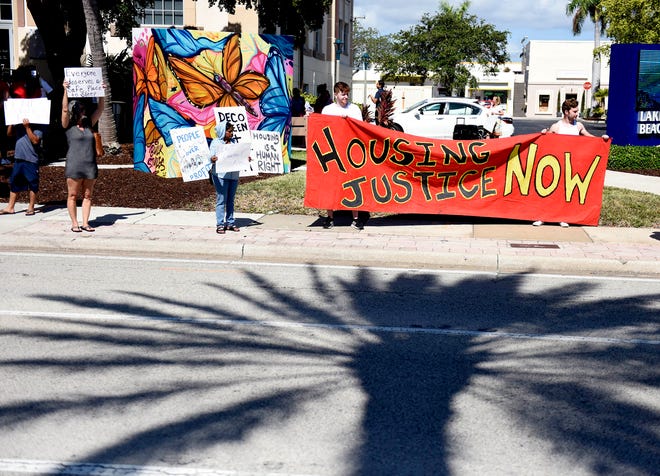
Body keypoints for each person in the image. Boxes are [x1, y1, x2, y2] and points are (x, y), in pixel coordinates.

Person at [536, 97, 610, 228]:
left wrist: (602, 139)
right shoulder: (556, 127)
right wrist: (543, 133)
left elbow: (591, 139)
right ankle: (543, 217)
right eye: (574, 111)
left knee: (566, 193)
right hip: (556, 165)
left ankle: (563, 217)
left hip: (572, 166)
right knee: (550, 192)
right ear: (566, 112)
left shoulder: (579, 126)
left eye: (577, 111)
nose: (577, 114)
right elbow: (543, 142)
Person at [321, 81, 366, 230]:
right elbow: (322, 130)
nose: (345, 96)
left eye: (347, 93)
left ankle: (356, 218)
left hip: (350, 153)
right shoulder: (327, 110)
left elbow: (360, 130)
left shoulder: (354, 110)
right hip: (333, 153)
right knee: (329, 184)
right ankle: (330, 217)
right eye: (342, 93)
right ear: (335, 94)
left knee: (354, 183)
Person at [61, 80, 105, 233]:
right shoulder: (68, 126)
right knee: (72, 195)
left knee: (88, 195)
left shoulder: (89, 124)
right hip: (74, 165)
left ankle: (85, 223)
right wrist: (65, 90)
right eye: (80, 109)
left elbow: (100, 109)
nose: (83, 111)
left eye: (83, 109)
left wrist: (101, 93)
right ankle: (75, 223)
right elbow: (64, 110)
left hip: (90, 165)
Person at [0, 119, 43, 216]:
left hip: (31, 159)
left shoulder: (38, 126)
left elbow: (35, 140)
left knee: (32, 183)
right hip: (18, 158)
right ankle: (10, 207)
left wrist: (27, 127)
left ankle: (31, 207)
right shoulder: (19, 125)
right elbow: (9, 134)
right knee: (14, 182)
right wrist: (11, 122)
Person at [209, 120, 242, 234]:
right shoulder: (216, 143)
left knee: (230, 200)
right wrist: (212, 158)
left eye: (232, 131)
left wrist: (245, 158)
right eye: (229, 131)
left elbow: (238, 155)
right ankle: (220, 224)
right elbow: (210, 156)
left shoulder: (234, 142)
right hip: (220, 176)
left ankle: (230, 223)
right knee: (221, 199)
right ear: (223, 131)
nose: (231, 134)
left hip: (233, 175)